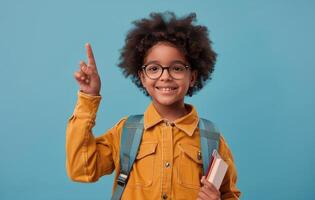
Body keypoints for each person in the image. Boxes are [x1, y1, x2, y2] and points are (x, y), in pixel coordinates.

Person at [66, 12, 241, 200]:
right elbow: (81, 169)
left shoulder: (211, 139)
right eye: (154, 68)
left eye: (177, 68)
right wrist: (88, 97)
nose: (165, 76)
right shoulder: (125, 132)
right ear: (142, 77)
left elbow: (230, 194)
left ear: (193, 77)